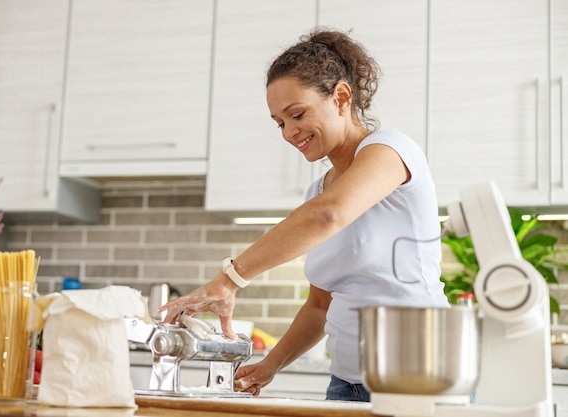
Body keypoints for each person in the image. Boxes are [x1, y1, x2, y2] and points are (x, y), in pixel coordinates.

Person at [159, 29, 449, 402]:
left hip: (417, 379)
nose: (289, 132)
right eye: (280, 122)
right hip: (347, 383)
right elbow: (320, 305)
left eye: (297, 114)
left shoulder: (391, 150)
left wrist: (230, 278)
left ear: (342, 97)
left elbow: (328, 216)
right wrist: (271, 365)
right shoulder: (317, 191)